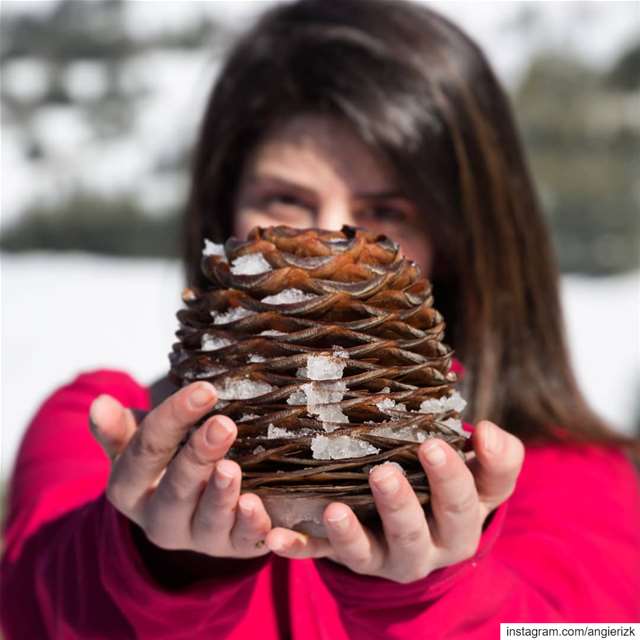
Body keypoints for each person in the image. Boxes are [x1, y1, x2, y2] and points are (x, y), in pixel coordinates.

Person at [1, 0, 639, 638]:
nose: (328, 242)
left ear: (463, 238)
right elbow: (39, 604)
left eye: (388, 211)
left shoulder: (576, 480)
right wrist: (158, 563)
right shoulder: (97, 433)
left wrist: (432, 600)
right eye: (284, 198)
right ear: (221, 212)